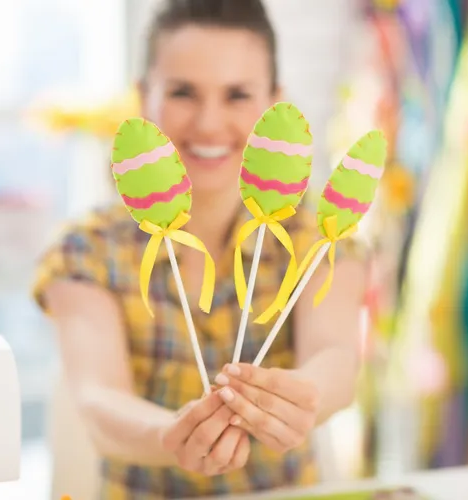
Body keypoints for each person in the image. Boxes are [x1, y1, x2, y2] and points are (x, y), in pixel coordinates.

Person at [32, 0, 368, 498]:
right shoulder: (85, 251)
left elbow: (338, 357)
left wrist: (308, 397)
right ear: (143, 97)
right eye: (183, 92)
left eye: (237, 95)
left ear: (275, 104)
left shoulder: (318, 239)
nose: (209, 123)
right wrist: (169, 437)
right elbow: (98, 398)